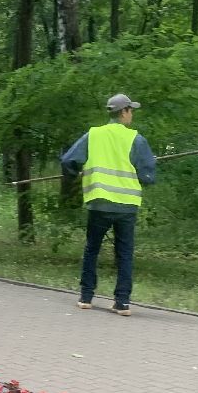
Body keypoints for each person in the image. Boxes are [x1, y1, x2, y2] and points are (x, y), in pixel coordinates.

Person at [60, 93, 157, 315]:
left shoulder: (93, 135)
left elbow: (68, 161)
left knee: (92, 249)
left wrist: (77, 173)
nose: (131, 114)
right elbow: (148, 176)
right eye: (130, 110)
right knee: (124, 253)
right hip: (126, 206)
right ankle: (122, 303)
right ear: (123, 112)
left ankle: (86, 297)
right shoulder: (136, 139)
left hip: (99, 203)